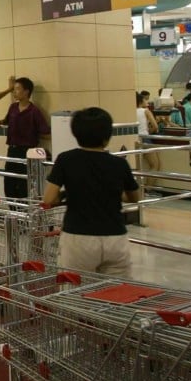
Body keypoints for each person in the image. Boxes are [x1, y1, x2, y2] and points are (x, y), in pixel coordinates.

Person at [43, 107, 140, 277]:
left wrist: (66, 194)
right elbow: (134, 197)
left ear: (76, 134)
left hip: (78, 236)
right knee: (118, 290)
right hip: (115, 237)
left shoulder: (66, 159)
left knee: (75, 289)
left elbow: (49, 199)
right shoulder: (119, 164)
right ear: (107, 136)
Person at [0, 77, 50, 200]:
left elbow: (46, 132)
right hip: (12, 150)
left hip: (27, 152)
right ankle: (13, 210)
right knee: (9, 183)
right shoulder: (13, 107)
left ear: (26, 92)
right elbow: (7, 120)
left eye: (17, 89)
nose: (14, 92)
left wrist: (32, 133)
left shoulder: (34, 111)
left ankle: (24, 211)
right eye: (14, 89)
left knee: (23, 185)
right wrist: (1, 122)